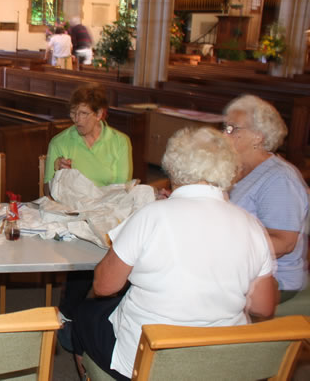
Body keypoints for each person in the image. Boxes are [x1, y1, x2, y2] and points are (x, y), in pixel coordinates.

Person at [72, 127, 277, 380]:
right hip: (223, 362)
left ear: (173, 166)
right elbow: (264, 307)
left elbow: (104, 286)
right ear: (227, 169)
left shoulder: (151, 216)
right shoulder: (251, 225)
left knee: (84, 314)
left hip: (153, 361)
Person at [44, 85, 132, 332]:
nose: (77, 120)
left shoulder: (119, 142)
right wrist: (58, 174)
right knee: (82, 250)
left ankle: (107, 314)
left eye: (83, 113)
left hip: (107, 211)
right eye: (73, 113)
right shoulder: (61, 141)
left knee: (121, 245)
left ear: (100, 114)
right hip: (76, 213)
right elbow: (49, 193)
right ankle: (72, 315)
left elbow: (121, 188)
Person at [224, 94, 308, 301]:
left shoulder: (280, 179)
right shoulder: (234, 168)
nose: (223, 135)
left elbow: (284, 243)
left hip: (274, 281)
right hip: (237, 267)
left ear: (258, 136)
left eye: (232, 128)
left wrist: (223, 247)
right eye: (224, 127)